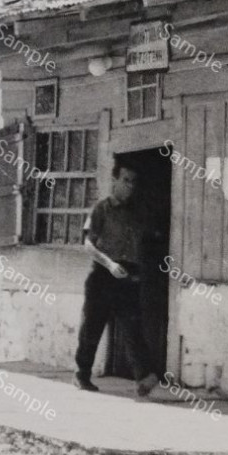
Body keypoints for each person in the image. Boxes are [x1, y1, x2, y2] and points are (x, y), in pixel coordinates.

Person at [74, 160, 157, 397]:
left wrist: (136, 272)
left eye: (133, 182)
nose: (130, 186)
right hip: (103, 273)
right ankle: (82, 374)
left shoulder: (137, 214)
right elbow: (88, 244)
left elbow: (143, 245)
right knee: (92, 326)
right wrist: (109, 264)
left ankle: (144, 377)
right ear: (114, 181)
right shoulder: (101, 209)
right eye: (125, 180)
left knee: (133, 327)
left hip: (127, 275)